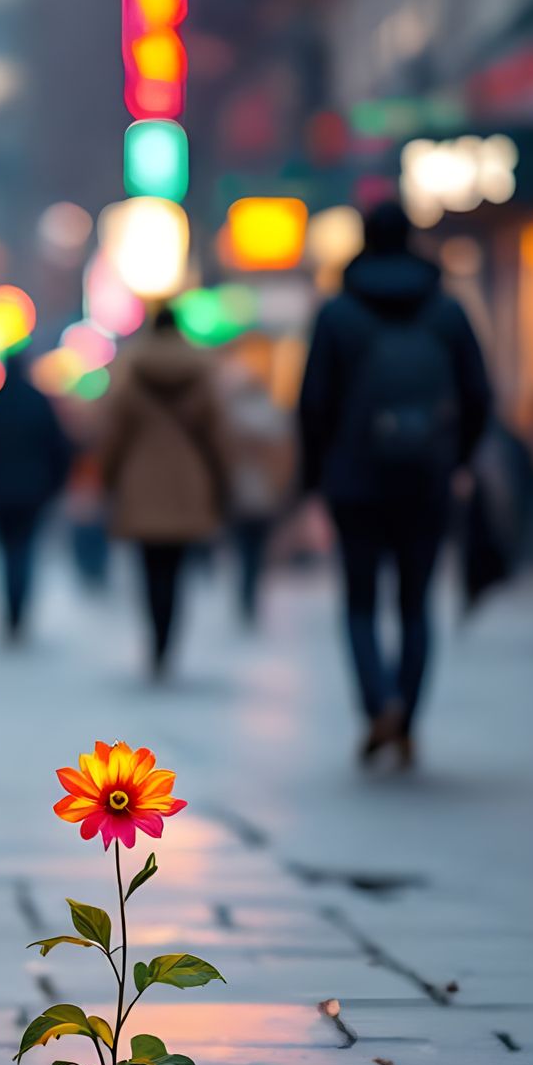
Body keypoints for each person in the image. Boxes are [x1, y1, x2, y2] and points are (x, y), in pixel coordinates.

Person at [298, 200, 490, 766]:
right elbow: (480, 395)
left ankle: (377, 700)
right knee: (415, 602)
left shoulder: (337, 313)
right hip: (426, 477)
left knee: (359, 601)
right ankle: (406, 715)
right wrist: (459, 459)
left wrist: (315, 477)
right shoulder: (447, 311)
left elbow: (313, 404)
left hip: (354, 480)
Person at [101, 306, 229, 676]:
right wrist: (222, 484)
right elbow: (218, 438)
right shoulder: (201, 370)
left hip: (140, 484)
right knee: (176, 572)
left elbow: (114, 437)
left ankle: (155, 640)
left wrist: (110, 480)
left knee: (149, 570)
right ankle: (169, 642)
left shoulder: (130, 370)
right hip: (188, 485)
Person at [0, 353, 75, 640]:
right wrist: (53, 485)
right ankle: (19, 611)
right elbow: (59, 448)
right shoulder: (40, 404)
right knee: (25, 550)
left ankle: (11, 611)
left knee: (6, 552)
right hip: (34, 492)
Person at [219, 352, 295, 625]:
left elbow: (223, 455)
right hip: (264, 493)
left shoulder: (230, 416)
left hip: (239, 492)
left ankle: (245, 592)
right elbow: (284, 457)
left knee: (243, 546)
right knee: (257, 548)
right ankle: (250, 592)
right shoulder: (274, 415)